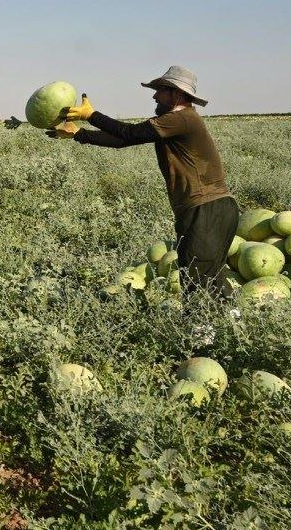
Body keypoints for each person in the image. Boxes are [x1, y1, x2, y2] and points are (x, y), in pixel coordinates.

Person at [51, 66, 236, 344]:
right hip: (213, 208)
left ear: (175, 94)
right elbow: (122, 141)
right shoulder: (175, 122)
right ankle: (236, 329)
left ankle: (203, 343)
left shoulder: (184, 119)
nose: (155, 97)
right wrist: (79, 133)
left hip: (206, 208)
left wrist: (92, 115)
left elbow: (130, 132)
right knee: (211, 274)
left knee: (196, 277)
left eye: (160, 91)